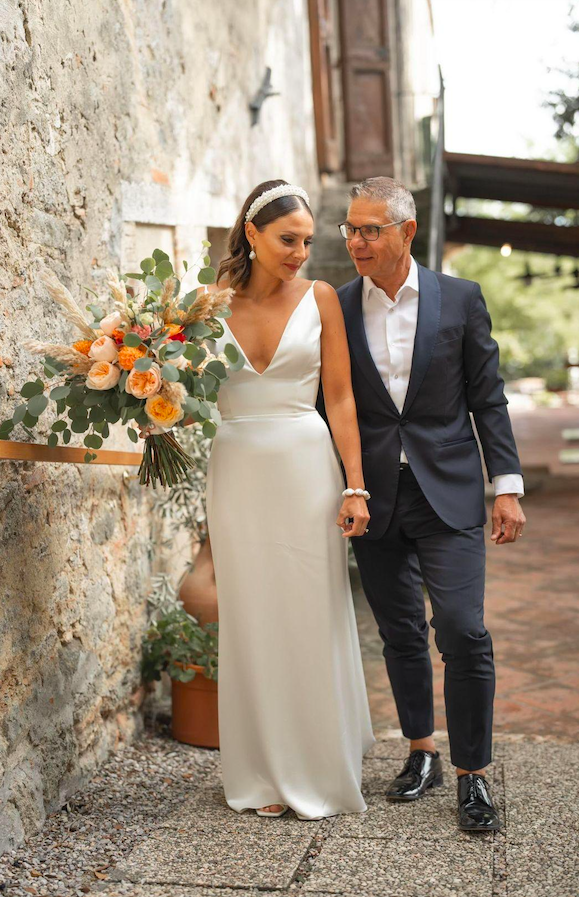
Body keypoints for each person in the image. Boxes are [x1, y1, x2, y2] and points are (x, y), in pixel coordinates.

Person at [142, 179, 375, 820]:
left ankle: (321, 761)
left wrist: (355, 484)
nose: (301, 251)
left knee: (310, 609)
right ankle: (263, 772)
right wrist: (145, 402)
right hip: (238, 470)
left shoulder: (322, 298)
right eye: (287, 240)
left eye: (306, 240)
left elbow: (342, 399)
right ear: (252, 234)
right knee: (253, 617)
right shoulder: (205, 308)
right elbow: (174, 388)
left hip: (307, 465)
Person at [316, 176, 526, 833]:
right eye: (349, 229)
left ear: (406, 231)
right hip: (373, 494)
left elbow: (486, 397)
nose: (355, 240)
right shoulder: (338, 308)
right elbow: (331, 401)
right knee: (400, 631)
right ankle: (419, 750)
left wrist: (507, 483)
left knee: (462, 628)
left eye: (369, 229)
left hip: (451, 489)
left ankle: (473, 774)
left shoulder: (460, 299)